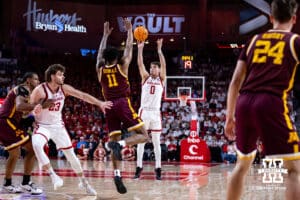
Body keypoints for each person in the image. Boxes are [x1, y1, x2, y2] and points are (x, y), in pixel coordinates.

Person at [225, 1, 300, 199]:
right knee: (294, 169)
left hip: (244, 102)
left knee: (242, 165)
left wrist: (229, 117)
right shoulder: (294, 41)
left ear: (271, 18)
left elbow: (235, 82)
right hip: (270, 102)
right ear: (294, 18)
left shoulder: (252, 40)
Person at [30, 64, 112, 196]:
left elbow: (82, 95)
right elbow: (28, 109)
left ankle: (84, 182)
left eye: (63, 74)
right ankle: (53, 176)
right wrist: (33, 111)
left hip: (58, 126)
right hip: (42, 125)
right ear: (52, 76)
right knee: (36, 144)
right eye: (60, 74)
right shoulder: (39, 90)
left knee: (72, 157)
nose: (63, 76)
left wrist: (99, 103)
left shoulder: (64, 88)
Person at [96, 19, 149, 194]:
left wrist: (104, 35)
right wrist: (129, 31)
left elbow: (99, 54)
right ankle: (120, 143)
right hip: (122, 103)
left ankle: (117, 175)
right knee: (144, 135)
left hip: (108, 106)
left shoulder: (99, 68)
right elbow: (128, 48)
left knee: (112, 142)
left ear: (104, 58)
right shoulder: (123, 65)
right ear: (117, 58)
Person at [0, 72, 48, 194]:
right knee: (32, 148)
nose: (38, 81)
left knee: (14, 154)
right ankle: (26, 183)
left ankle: (7, 184)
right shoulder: (22, 88)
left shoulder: (27, 93)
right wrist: (39, 105)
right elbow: (21, 106)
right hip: (6, 121)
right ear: (28, 80)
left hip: (6, 123)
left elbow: (23, 112)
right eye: (35, 79)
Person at [134, 39, 166, 180]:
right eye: (151, 67)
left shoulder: (162, 79)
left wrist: (159, 50)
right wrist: (140, 49)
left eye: (154, 67)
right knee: (141, 141)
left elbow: (164, 64)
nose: (152, 69)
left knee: (156, 143)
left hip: (155, 113)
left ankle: (158, 168)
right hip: (144, 111)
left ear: (158, 70)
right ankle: (139, 167)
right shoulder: (145, 77)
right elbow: (140, 64)